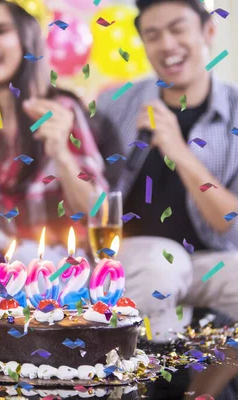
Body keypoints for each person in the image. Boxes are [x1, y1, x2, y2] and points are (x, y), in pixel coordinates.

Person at [0, 0, 109, 335]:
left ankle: (43, 366)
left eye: (1, 31)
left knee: (36, 259)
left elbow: (98, 212)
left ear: (28, 43)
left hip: (58, 262)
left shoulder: (61, 110)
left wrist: (61, 153)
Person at [95, 0, 238, 341]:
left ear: (208, 30)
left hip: (206, 261)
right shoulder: (115, 105)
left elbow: (231, 225)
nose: (167, 45)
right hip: (134, 259)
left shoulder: (234, 111)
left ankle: (209, 391)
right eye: (153, 35)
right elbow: (90, 201)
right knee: (164, 262)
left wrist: (179, 152)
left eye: (178, 29)